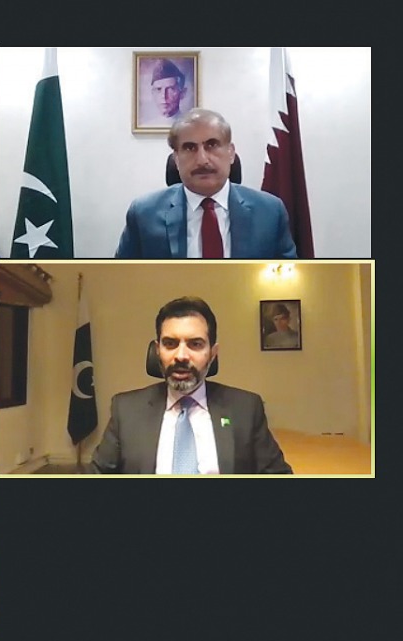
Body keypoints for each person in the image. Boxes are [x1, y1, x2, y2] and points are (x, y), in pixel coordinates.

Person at [90, 296, 292, 474]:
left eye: (195, 344)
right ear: (157, 350)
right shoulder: (126, 410)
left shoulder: (245, 408)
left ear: (213, 353)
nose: (181, 356)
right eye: (170, 343)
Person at [115, 108, 297, 259]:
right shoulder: (143, 214)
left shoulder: (270, 212)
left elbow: (289, 285)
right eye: (189, 147)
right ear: (176, 159)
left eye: (212, 145)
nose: (202, 160)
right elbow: (121, 282)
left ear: (231, 152)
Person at [146, 58, 187, 124]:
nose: (164, 96)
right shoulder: (147, 126)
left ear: (182, 93)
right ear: (152, 93)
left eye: (170, 89)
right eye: (158, 89)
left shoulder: (190, 127)